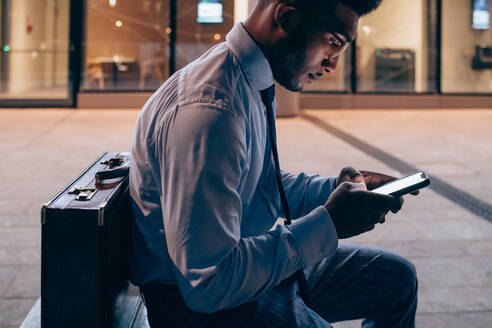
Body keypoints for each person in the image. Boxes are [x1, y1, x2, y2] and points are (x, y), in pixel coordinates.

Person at [129, 0, 418, 327]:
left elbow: (259, 184)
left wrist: (335, 191)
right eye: (334, 42)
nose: (333, 64)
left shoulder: (246, 77)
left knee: (397, 280)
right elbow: (208, 284)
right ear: (288, 18)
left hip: (248, 268)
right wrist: (330, 224)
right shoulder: (212, 112)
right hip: (208, 308)